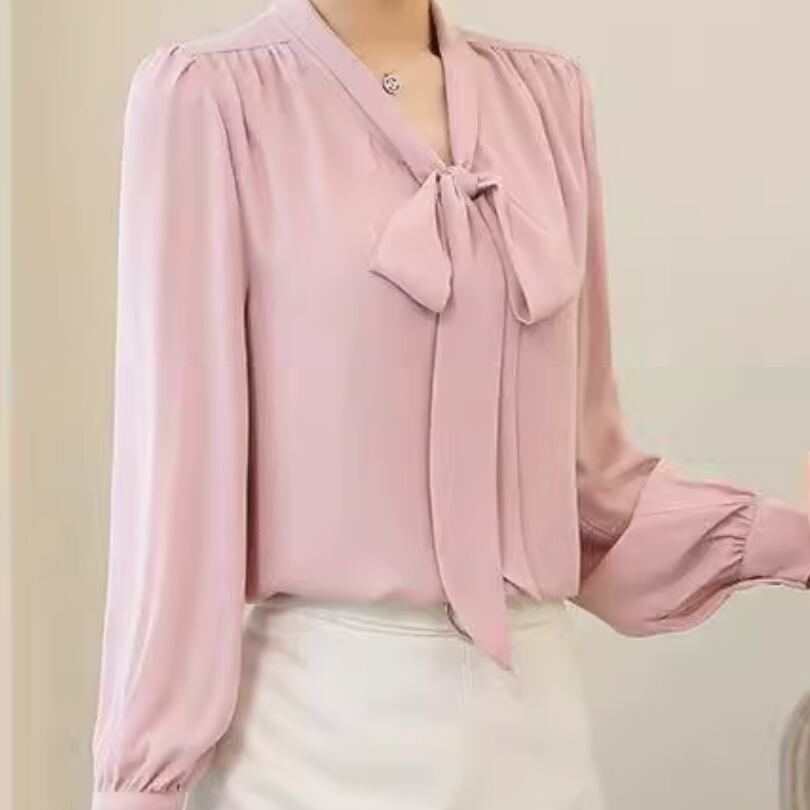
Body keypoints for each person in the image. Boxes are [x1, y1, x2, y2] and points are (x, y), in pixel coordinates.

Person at [88, 0, 810, 808]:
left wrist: (792, 537)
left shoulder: (544, 99)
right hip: (309, 742)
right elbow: (179, 492)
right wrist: (141, 785)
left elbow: (589, 491)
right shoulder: (210, 100)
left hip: (534, 742)